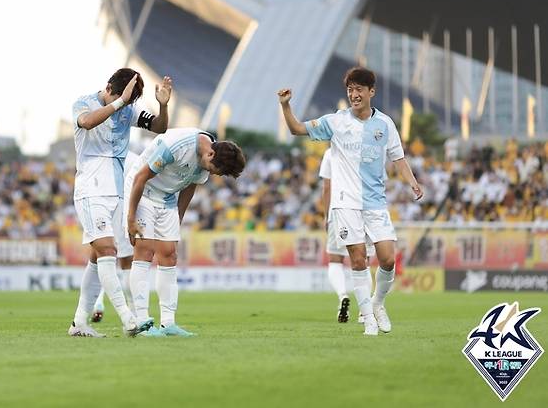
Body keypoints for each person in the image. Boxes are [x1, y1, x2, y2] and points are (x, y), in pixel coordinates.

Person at [279, 66, 422, 336]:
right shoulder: (336, 121)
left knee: (388, 259)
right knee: (358, 260)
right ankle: (367, 317)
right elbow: (297, 129)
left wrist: (412, 181)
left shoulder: (385, 124)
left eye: (359, 89)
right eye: (350, 90)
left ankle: (378, 303)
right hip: (345, 204)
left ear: (371, 92)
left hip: (376, 203)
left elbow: (398, 157)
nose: (354, 94)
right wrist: (286, 106)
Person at [68, 67, 172, 337]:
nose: (128, 104)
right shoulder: (83, 103)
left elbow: (159, 128)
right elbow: (88, 122)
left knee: (97, 256)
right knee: (106, 250)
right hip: (90, 188)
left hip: (115, 190)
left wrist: (162, 107)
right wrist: (120, 102)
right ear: (109, 87)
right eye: (124, 98)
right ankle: (128, 319)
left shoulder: (129, 110)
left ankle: (79, 321)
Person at [125, 128, 245, 337]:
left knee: (169, 254)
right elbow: (140, 177)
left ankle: (168, 323)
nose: (213, 173)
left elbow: (190, 186)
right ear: (210, 154)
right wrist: (130, 218)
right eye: (214, 169)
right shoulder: (176, 147)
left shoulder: (210, 158)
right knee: (145, 251)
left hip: (167, 197)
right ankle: (142, 322)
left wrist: (177, 219)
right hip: (142, 190)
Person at [319, 146, 374, 324]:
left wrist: (327, 216)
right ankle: (364, 310)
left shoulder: (330, 153)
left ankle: (343, 295)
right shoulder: (366, 150)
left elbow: (327, 187)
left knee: (336, 259)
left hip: (339, 209)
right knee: (363, 261)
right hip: (364, 208)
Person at [91, 150, 139, 322]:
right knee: (127, 263)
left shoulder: (96, 156)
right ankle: (133, 312)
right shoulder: (133, 159)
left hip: (99, 208)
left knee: (100, 258)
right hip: (124, 211)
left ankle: (96, 304)